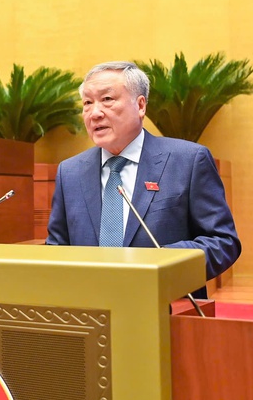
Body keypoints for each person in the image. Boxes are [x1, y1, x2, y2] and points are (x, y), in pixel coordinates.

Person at [45, 61, 241, 290]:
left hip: (164, 303)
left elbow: (223, 242)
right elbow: (57, 248)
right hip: (89, 305)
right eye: (87, 103)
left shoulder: (188, 161)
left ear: (140, 105)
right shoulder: (70, 172)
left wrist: (163, 263)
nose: (95, 113)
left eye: (107, 99)